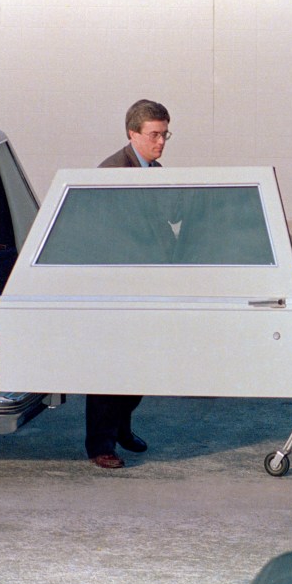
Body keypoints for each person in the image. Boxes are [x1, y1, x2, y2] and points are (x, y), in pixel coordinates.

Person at [86, 99, 171, 469]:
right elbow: (108, 237)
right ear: (132, 133)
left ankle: (121, 428)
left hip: (144, 283)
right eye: (154, 134)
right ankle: (101, 445)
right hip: (115, 288)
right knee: (110, 368)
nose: (162, 141)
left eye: (165, 134)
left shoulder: (152, 168)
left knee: (139, 364)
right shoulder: (112, 173)